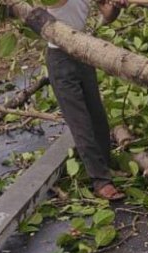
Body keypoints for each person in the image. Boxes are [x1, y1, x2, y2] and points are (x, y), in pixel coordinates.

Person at [45, 0, 127, 201]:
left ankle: (105, 167)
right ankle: (100, 181)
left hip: (83, 51)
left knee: (97, 117)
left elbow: (107, 14)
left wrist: (115, 5)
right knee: (80, 122)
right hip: (59, 55)